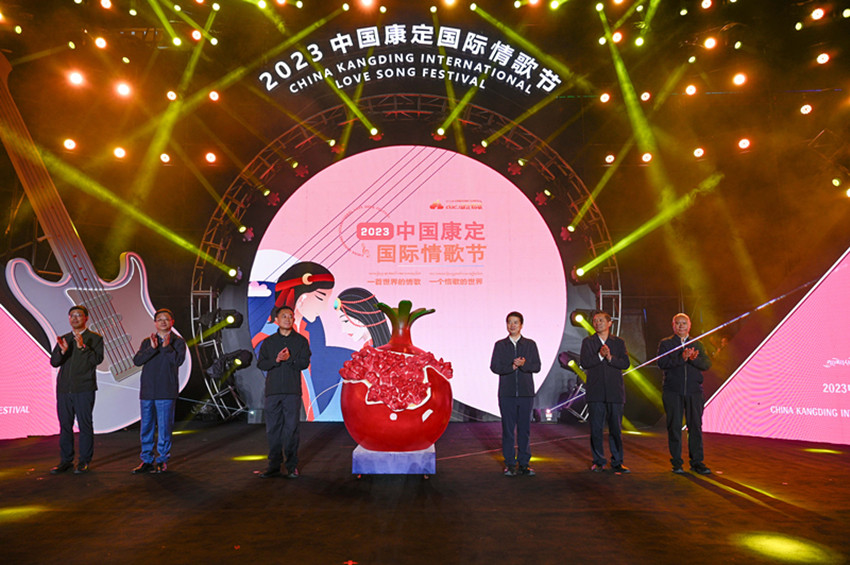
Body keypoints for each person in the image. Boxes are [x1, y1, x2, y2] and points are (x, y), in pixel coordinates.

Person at [256, 306, 312, 478]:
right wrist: (276, 360)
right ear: (276, 320)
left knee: (291, 429)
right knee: (273, 430)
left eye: (290, 316)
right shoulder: (269, 342)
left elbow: (304, 363)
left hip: (292, 391)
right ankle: (274, 465)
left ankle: (291, 466)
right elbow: (261, 364)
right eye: (284, 316)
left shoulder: (301, 341)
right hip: (273, 392)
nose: (288, 319)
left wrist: (289, 359)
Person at [49, 305, 104, 475]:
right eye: (71, 315)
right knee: (65, 425)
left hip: (84, 388)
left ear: (86, 318)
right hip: (64, 389)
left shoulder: (95, 338)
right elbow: (54, 362)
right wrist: (62, 351)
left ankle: (84, 461)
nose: (74, 318)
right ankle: (66, 461)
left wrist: (82, 348)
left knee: (85, 425)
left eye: (78, 315)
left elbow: (97, 360)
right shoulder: (65, 338)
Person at [131, 308, 187, 474]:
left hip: (166, 391)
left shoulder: (178, 342)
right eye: (160, 319)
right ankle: (146, 460)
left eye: (166, 319)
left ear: (172, 322)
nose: (163, 322)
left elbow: (178, 361)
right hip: (148, 390)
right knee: (146, 427)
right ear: (155, 323)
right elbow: (137, 361)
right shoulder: (148, 342)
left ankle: (162, 459)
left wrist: (166, 347)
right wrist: (153, 348)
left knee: (164, 428)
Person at [657, 313, 712, 475]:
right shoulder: (666, 343)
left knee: (695, 427)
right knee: (674, 427)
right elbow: (662, 363)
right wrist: (681, 358)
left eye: (684, 323)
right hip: (673, 391)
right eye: (678, 323)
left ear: (689, 326)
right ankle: (677, 463)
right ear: (673, 326)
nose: (681, 326)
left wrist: (694, 359)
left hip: (694, 392)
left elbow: (706, 364)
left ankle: (697, 462)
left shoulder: (698, 344)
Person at [490, 311, 541, 477]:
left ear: (521, 325)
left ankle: (524, 464)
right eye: (509, 322)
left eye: (515, 322)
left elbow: (537, 366)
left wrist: (524, 365)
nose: (512, 325)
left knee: (524, 430)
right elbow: (494, 367)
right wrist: (511, 367)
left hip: (526, 394)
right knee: (508, 430)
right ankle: (510, 464)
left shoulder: (530, 344)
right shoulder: (500, 345)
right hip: (507, 394)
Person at [579, 311, 631, 473]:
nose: (598, 323)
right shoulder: (588, 342)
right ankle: (598, 461)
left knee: (615, 429)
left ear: (609, 323)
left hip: (615, 392)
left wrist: (610, 358)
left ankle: (617, 461)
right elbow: (585, 363)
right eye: (595, 321)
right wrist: (600, 356)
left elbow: (625, 364)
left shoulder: (618, 342)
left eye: (601, 320)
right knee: (596, 429)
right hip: (595, 392)